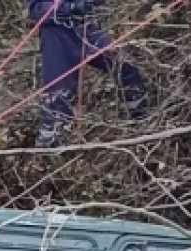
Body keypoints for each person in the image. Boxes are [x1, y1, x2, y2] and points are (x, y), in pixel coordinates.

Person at [27, 0, 148, 147]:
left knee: (125, 66)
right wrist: (70, 8)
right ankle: (48, 151)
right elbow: (36, 10)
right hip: (56, 35)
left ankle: (142, 124)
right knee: (58, 96)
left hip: (87, 28)